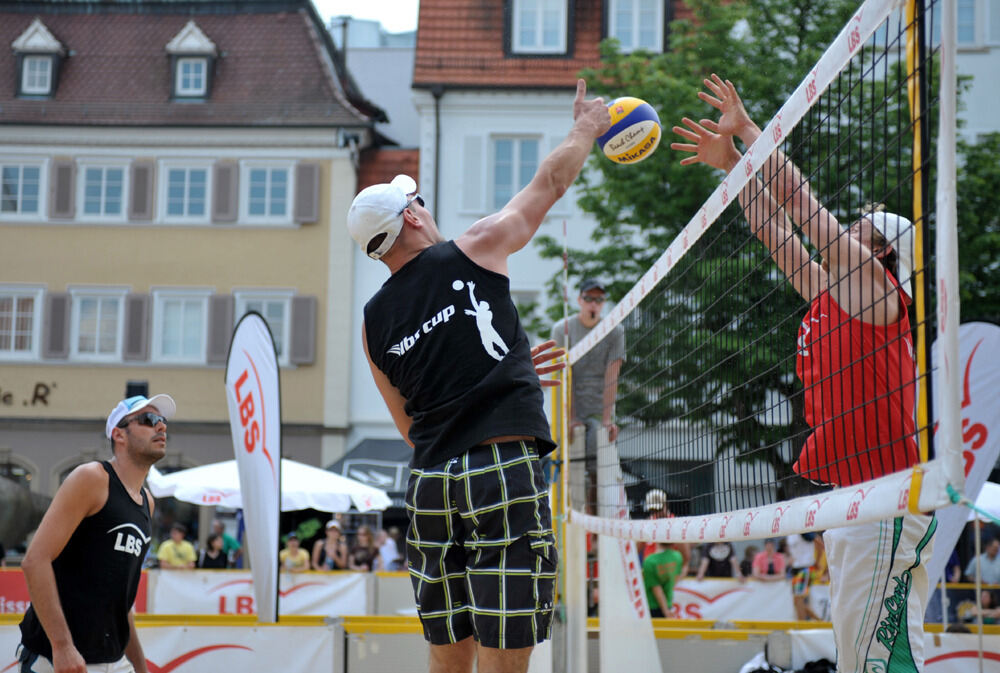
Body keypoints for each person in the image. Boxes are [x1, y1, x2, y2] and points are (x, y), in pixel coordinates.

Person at [671, 74, 936, 672]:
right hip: (852, 497)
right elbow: (776, 233)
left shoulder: (877, 290)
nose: (850, 226)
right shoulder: (832, 293)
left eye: (863, 227)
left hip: (888, 496)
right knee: (858, 651)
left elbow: (805, 211)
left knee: (880, 654)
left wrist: (750, 132)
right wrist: (735, 165)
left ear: (883, 252)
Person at [350, 79, 610, 673]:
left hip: (432, 486)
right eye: (420, 202)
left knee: (449, 657)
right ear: (412, 215)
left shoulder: (372, 322)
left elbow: (411, 421)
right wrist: (585, 129)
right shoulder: (473, 248)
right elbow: (549, 184)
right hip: (500, 468)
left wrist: (509, 368)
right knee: (504, 658)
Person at [17, 393, 176, 673]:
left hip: (115, 661)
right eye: (149, 420)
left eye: (162, 421)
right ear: (119, 435)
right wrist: (62, 646)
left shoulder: (146, 503)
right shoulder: (92, 478)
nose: (161, 427)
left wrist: (140, 667)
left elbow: (121, 599)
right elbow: (35, 561)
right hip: (59, 660)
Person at [550, 278, 625, 513]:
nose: (594, 304)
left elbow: (611, 378)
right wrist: (570, 417)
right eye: (589, 299)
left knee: (596, 459)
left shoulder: (614, 330)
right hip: (565, 405)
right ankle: (565, 514)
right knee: (564, 462)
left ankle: (592, 519)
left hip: (597, 407)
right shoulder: (562, 329)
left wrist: (607, 419)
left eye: (599, 299)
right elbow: (563, 377)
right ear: (579, 300)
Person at [642, 541, 686, 618]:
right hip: (668, 602)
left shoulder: (650, 561)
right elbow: (676, 578)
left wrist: (665, 611)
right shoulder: (677, 556)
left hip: (651, 605)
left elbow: (656, 589)